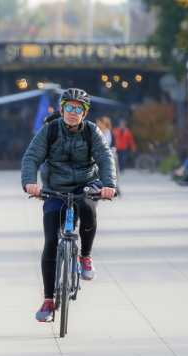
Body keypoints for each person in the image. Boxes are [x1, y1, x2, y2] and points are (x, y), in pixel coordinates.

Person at [21, 88, 117, 323]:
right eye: (69, 107)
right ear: (62, 109)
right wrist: (30, 182)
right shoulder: (50, 130)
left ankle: (85, 257)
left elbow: (105, 158)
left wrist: (109, 184)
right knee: (51, 242)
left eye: (78, 109)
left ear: (85, 113)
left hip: (86, 184)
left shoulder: (92, 132)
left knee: (88, 209)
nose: (73, 112)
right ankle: (48, 300)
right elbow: (31, 157)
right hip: (55, 188)